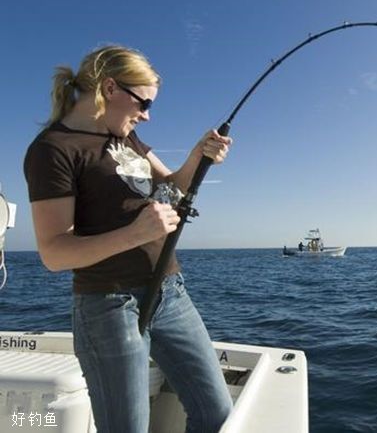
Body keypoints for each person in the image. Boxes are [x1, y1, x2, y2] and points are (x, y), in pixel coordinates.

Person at [23, 45, 234, 433]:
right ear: (110, 88)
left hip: (171, 293)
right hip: (109, 305)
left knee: (217, 415)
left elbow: (171, 186)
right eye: (144, 102)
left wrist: (198, 157)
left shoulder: (127, 137)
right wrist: (134, 234)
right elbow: (54, 252)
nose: (147, 115)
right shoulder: (53, 150)